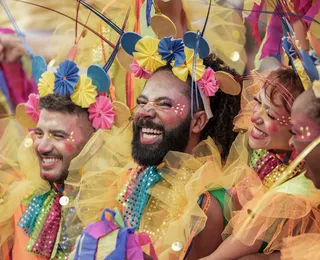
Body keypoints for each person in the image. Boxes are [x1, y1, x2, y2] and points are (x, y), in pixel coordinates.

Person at [70, 31, 242, 258]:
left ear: (198, 121)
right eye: (142, 102)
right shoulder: (131, 179)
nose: (145, 113)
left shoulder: (205, 205)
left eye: (164, 104)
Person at [0, 59, 132, 259]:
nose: (42, 146)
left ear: (94, 139)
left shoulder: (122, 200)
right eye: (39, 133)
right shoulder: (23, 200)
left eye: (58, 135)